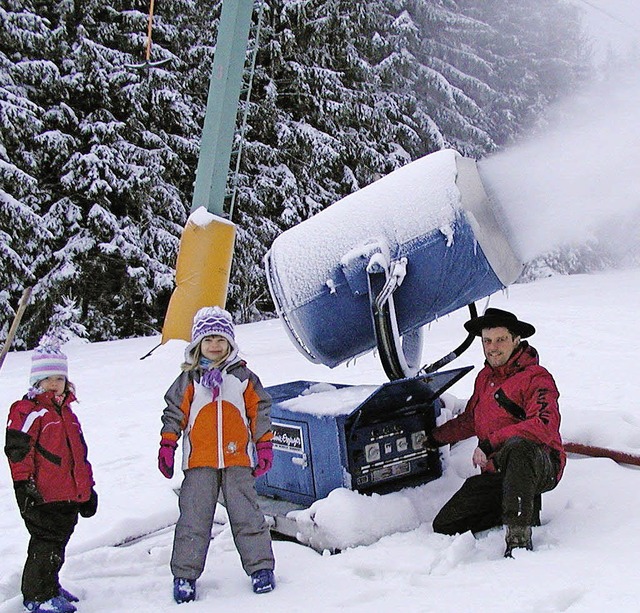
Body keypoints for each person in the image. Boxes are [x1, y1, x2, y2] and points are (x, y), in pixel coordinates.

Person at [158, 306, 276, 603]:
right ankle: (184, 574)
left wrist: (263, 445)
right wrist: (167, 444)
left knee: (248, 516)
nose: (214, 345)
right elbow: (174, 413)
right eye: (208, 339)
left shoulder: (244, 377)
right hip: (200, 462)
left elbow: (259, 411)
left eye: (220, 339)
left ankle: (260, 568)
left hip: (238, 460)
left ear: (230, 343)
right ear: (198, 343)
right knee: (194, 519)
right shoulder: (189, 379)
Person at [427, 308, 565, 557]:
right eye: (487, 341)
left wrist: (490, 444)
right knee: (446, 524)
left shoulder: (537, 378)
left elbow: (545, 425)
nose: (492, 347)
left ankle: (518, 541)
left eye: (500, 339)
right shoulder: (484, 378)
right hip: (499, 470)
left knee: (519, 447)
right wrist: (433, 438)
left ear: (516, 340)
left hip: (540, 464)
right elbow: (471, 420)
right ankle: (519, 504)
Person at [4, 341, 98, 613]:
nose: (54, 384)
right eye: (47, 379)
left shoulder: (67, 413)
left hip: (67, 494)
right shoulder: (28, 411)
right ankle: (37, 595)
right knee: (45, 544)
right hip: (42, 494)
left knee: (59, 542)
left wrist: (87, 490)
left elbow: (78, 455)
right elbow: (18, 451)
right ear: (36, 381)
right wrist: (24, 485)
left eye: (59, 378)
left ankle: (50, 585)